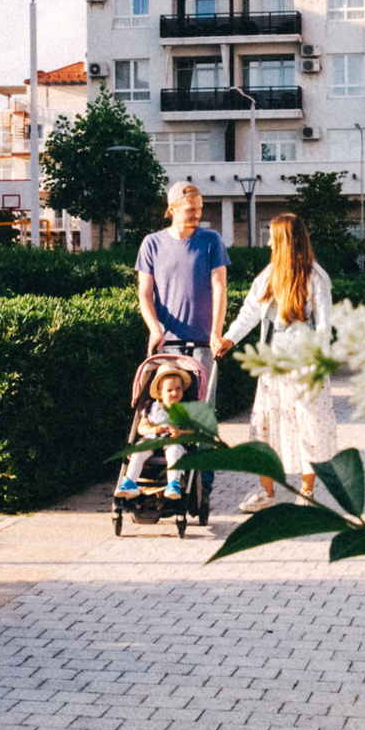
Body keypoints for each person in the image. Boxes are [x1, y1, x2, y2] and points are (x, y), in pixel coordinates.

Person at [218, 212, 336, 511]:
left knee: (309, 428)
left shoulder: (316, 278)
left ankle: (306, 492)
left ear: (285, 240)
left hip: (305, 367)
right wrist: (229, 338)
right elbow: (249, 312)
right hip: (273, 369)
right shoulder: (268, 277)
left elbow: (323, 326)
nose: (268, 242)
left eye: (272, 236)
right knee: (265, 427)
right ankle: (266, 492)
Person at [136, 181, 231, 398]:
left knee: (200, 416)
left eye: (199, 209)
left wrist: (216, 333)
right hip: (165, 345)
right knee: (164, 414)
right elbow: (144, 294)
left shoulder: (211, 240)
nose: (197, 214)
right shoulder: (152, 244)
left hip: (203, 343)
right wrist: (154, 329)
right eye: (190, 209)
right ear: (172, 209)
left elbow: (219, 289)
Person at [116, 365, 196, 499]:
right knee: (138, 451)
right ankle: (129, 482)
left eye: (178, 389)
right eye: (169, 390)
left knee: (174, 452)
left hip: (173, 442)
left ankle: (173, 484)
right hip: (152, 440)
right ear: (160, 393)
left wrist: (179, 432)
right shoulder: (151, 407)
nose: (174, 393)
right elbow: (141, 428)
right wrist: (153, 429)